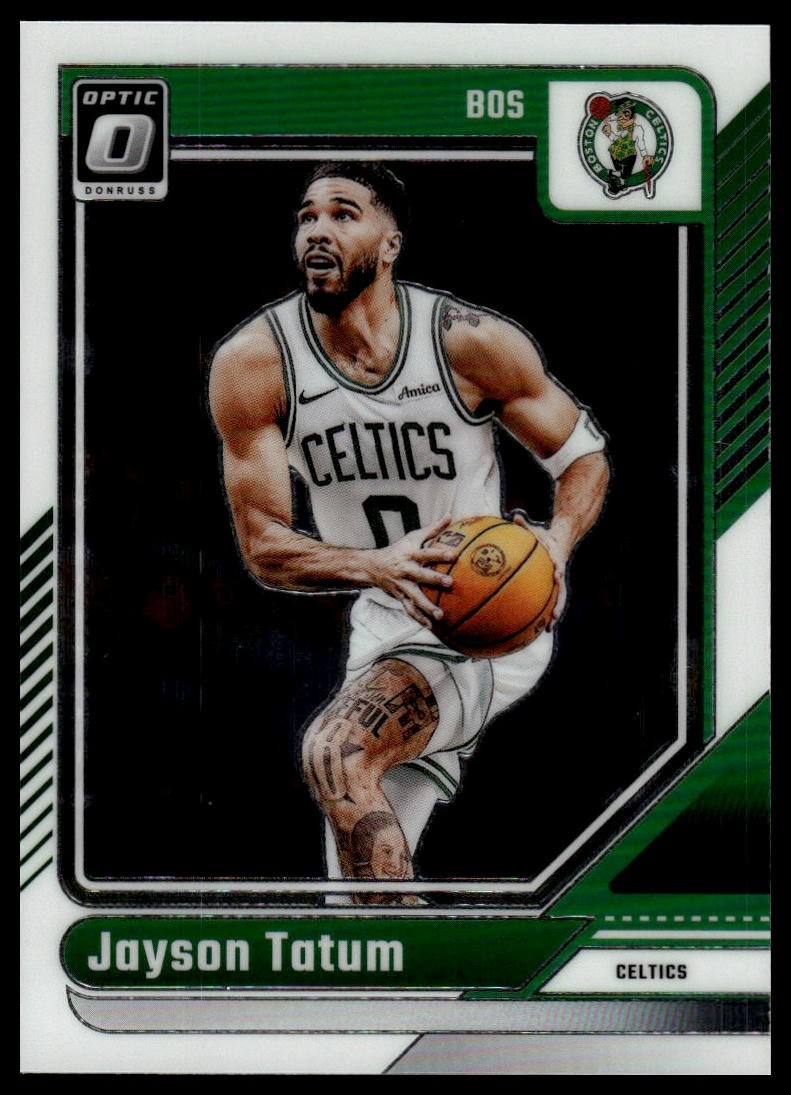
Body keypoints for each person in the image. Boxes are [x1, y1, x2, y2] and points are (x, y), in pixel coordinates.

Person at [209, 162, 610, 903]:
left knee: (336, 751)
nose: (317, 230)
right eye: (306, 217)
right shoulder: (255, 362)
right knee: (357, 896)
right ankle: (405, 953)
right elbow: (264, 546)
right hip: (382, 621)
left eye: (342, 214)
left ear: (389, 243)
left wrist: (554, 545)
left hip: (481, 610)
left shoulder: (468, 342)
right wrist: (376, 566)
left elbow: (582, 457)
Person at [602, 99, 654, 194]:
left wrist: (645, 155)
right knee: (620, 171)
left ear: (632, 115)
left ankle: (611, 174)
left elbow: (640, 143)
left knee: (625, 174)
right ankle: (622, 184)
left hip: (629, 155)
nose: (622, 117)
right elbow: (616, 140)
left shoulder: (637, 129)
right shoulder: (619, 127)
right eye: (619, 115)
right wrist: (609, 133)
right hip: (615, 153)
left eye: (626, 114)